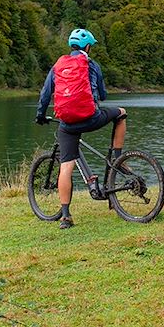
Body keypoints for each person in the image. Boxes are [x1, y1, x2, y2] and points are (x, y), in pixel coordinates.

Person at [35, 28, 127, 229]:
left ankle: (66, 217)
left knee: (65, 167)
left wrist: (40, 115)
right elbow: (103, 95)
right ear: (87, 47)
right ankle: (118, 159)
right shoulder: (92, 65)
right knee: (121, 113)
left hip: (67, 124)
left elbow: (45, 94)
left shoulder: (58, 66)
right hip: (91, 118)